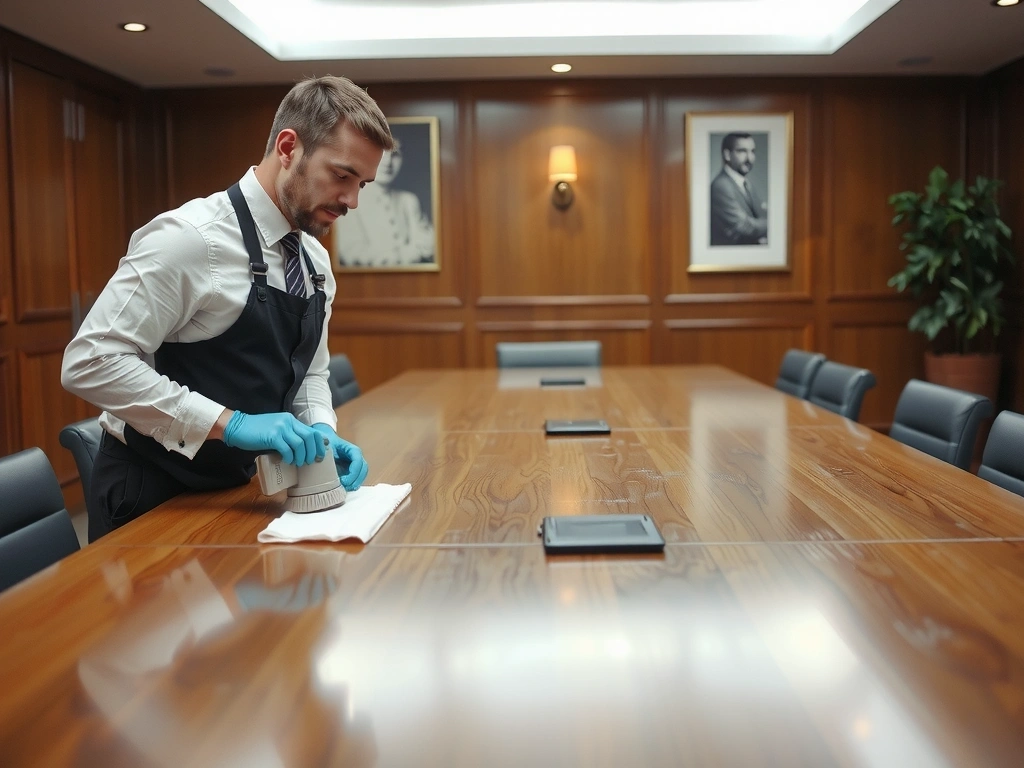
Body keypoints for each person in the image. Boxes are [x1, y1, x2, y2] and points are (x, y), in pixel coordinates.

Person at [61, 75, 394, 542]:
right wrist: (229, 424)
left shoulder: (315, 262)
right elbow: (90, 362)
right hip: (149, 498)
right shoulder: (190, 238)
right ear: (288, 148)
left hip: (236, 498)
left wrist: (321, 430)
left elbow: (310, 374)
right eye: (342, 176)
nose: (352, 201)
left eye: (363, 183)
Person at [333, 144, 435, 267]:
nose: (387, 162)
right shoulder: (349, 201)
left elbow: (428, 244)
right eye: (379, 153)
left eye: (395, 154)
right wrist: (407, 254)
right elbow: (353, 253)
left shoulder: (408, 201)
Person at [709, 132, 768, 246]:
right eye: (742, 151)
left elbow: (760, 213)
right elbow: (745, 227)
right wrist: (778, 222)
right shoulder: (721, 186)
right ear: (727, 155)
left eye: (752, 151)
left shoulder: (746, 183)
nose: (749, 158)